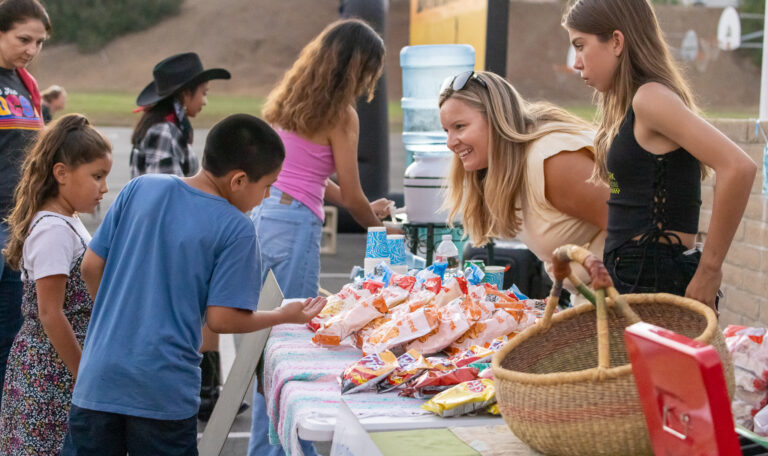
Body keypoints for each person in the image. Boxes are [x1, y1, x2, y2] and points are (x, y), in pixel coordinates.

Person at [60, 114, 325, 454]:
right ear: (239, 180)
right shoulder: (236, 229)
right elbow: (222, 319)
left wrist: (115, 314)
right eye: (268, 185)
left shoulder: (140, 188)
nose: (268, 195)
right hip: (162, 389)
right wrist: (282, 314)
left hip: (99, 378)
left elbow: (91, 265)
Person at [247, 18, 391, 456]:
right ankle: (281, 448)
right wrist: (384, 230)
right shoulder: (341, 116)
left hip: (266, 215)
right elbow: (352, 194)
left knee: (268, 346)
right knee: (293, 346)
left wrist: (367, 209)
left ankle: (263, 447)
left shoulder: (289, 101)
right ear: (358, 68)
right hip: (293, 228)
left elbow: (302, 176)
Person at [563, 0, 756, 309]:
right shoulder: (630, 105)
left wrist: (709, 269)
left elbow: (738, 167)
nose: (576, 62)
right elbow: (623, 196)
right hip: (631, 274)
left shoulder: (650, 98)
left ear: (616, 41)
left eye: (580, 45)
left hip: (653, 276)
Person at [439, 70, 609, 297]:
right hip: (591, 307)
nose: (450, 143)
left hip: (626, 306)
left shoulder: (550, 161)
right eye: (446, 131)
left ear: (496, 118)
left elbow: (632, 221)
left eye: (460, 126)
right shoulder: (503, 168)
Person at [130, 51, 233, 421]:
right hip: (165, 244)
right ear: (184, 94)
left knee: (201, 314)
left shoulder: (171, 129)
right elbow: (166, 197)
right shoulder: (163, 132)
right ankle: (204, 394)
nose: (205, 100)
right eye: (202, 92)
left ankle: (207, 391)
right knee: (201, 315)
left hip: (167, 242)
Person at [0, 114, 111, 454]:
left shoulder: (68, 220)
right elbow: (50, 313)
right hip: (50, 371)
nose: (104, 188)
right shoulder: (52, 230)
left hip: (60, 365)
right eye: (96, 176)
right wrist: (84, 374)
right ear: (61, 173)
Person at [0, 0, 49, 412]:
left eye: (39, 42)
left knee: (11, 336)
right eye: (23, 39)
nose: (31, 49)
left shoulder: (25, 84)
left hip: (17, 227)